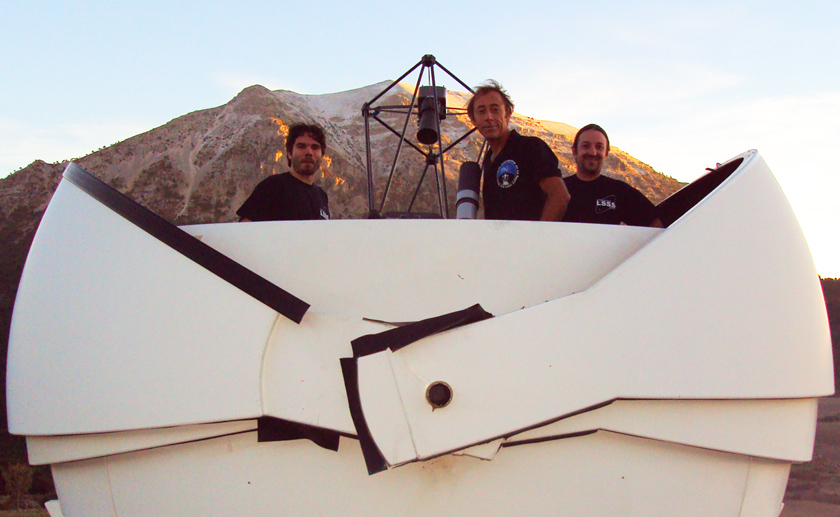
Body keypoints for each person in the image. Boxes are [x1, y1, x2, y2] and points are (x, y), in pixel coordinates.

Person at [467, 81, 569, 221]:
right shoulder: (489, 160)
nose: (488, 117)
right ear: (473, 119)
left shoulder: (530, 147)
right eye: (481, 111)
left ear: (508, 113)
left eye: (495, 109)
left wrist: (539, 237)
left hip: (530, 240)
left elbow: (560, 195)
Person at [563, 124, 663, 227]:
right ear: (574, 151)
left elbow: (655, 224)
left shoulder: (620, 191)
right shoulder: (558, 191)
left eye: (599, 147)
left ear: (606, 153)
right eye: (586, 146)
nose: (593, 152)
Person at [237, 123, 330, 222]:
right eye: (301, 146)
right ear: (289, 153)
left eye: (315, 147)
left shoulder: (321, 195)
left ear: (322, 155)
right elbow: (245, 228)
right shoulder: (273, 186)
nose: (309, 152)